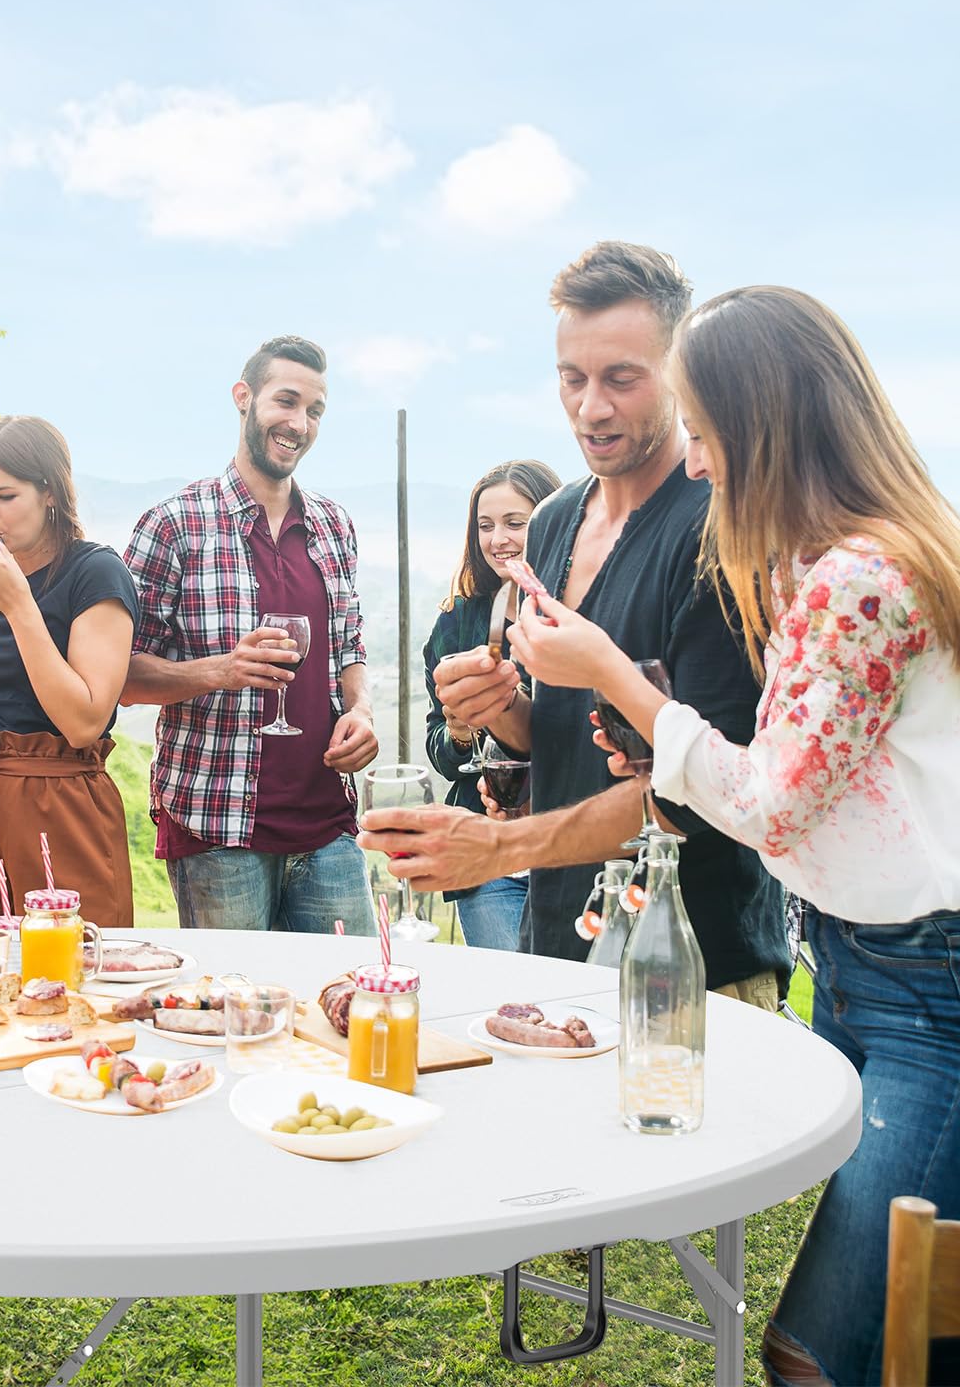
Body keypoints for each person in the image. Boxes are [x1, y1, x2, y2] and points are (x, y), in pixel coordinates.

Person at [496, 285, 960, 1387]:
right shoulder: (829, 563)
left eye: (705, 434)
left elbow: (768, 807)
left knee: (824, 1347)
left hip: (927, 991)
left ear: (770, 428)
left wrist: (616, 677)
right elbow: (796, 776)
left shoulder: (860, 580)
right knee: (914, 1331)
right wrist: (661, 741)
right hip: (854, 964)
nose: (696, 465)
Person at [362, 241, 790, 1005]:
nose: (591, 407)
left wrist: (497, 848)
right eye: (572, 378)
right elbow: (567, 739)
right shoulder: (554, 519)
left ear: (680, 374)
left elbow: (712, 791)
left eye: (621, 379)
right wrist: (502, 712)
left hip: (696, 966)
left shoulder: (724, 528)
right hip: (558, 945)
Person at [121, 335, 379, 933]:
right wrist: (222, 670)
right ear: (244, 397)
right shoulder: (173, 524)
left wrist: (362, 710)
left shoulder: (334, 525)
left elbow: (350, 646)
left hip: (329, 828)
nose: (299, 424)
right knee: (237, 996)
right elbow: (120, 676)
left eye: (315, 411)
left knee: (351, 988)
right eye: (285, 401)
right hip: (218, 830)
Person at [0, 416, 137, 929]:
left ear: (50, 491)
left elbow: (83, 722)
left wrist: (17, 604)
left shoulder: (95, 573)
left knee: (70, 962)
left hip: (61, 807)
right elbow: (20, 695)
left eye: (5, 496)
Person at [424, 459, 560, 949]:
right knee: (509, 988)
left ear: (552, 521)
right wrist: (459, 734)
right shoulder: (457, 620)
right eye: (485, 526)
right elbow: (441, 750)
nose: (498, 539)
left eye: (514, 523)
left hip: (569, 848)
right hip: (487, 857)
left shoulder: (579, 609)